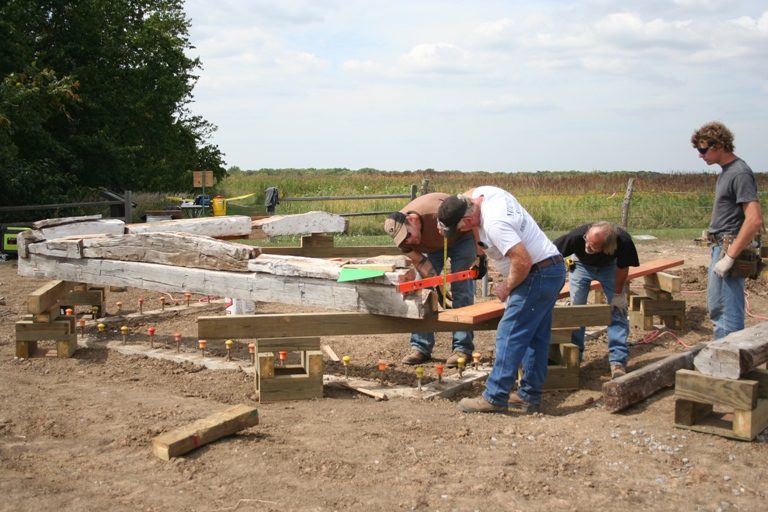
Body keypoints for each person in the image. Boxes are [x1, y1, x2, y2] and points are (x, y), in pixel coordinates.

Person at [438, 187, 565, 414]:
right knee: (535, 337)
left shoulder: (495, 223)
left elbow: (523, 262)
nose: (463, 231)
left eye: (461, 227)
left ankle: (495, 396)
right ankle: (529, 395)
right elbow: (466, 195)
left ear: (469, 218)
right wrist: (446, 220)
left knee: (509, 333)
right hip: (550, 268)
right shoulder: (486, 194)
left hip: (536, 273)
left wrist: (507, 286)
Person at [384, 193, 487, 367]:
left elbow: (473, 222)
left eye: (408, 234)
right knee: (421, 290)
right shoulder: (404, 241)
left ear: (412, 219)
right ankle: (420, 347)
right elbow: (419, 261)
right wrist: (435, 282)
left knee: (461, 289)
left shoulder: (434, 212)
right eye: (404, 239)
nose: (409, 241)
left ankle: (462, 348)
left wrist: (480, 255)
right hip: (433, 247)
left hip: (462, 237)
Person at [691, 121, 763, 339]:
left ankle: (726, 363)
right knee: (717, 306)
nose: (700, 155)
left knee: (725, 310)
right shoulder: (727, 172)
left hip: (728, 248)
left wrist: (730, 257)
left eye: (703, 149)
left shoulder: (739, 173)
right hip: (720, 247)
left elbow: (754, 220)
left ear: (719, 145)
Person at [553, 222, 639, 379]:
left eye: (593, 246)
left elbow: (622, 268)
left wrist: (617, 295)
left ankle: (617, 361)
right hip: (580, 265)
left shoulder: (623, 241)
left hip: (609, 267)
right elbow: (550, 255)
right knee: (576, 312)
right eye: (587, 241)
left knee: (617, 311)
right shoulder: (576, 237)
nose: (587, 246)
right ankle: (574, 357)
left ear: (608, 246)